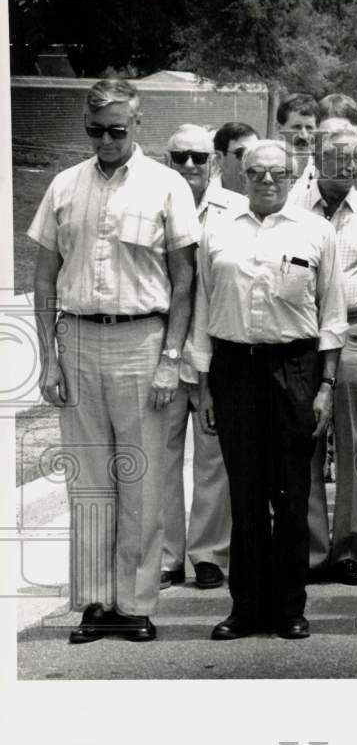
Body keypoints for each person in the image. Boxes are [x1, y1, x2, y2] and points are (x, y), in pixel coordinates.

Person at [30, 79, 199, 643]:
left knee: (141, 481)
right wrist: (49, 357)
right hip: (77, 338)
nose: (105, 140)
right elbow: (44, 276)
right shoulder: (63, 186)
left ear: (138, 124)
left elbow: (183, 281)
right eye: (95, 130)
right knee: (90, 481)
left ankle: (135, 603)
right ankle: (95, 601)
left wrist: (171, 358)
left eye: (117, 130)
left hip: (141, 340)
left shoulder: (168, 186)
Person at [189, 139, 348, 640]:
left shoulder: (316, 231)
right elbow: (201, 313)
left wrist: (325, 384)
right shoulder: (216, 231)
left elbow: (333, 314)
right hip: (235, 368)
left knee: (294, 492)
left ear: (291, 174)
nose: (265, 180)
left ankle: (289, 608)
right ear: (241, 172)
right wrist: (204, 388)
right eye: (255, 171)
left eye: (276, 173)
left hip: (295, 368)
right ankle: (246, 608)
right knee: (246, 495)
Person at [293, 128, 357, 586]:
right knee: (305, 442)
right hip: (302, 337)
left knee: (355, 447)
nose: (348, 166)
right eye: (337, 157)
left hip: (356, 332)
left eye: (355, 158)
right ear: (315, 156)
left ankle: (350, 549)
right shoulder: (291, 211)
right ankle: (310, 551)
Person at [159, 124, 242, 591]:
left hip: (215, 351)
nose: (189, 165)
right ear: (166, 158)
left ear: (213, 160)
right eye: (179, 157)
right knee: (163, 456)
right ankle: (170, 556)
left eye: (198, 157)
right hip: (164, 351)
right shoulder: (154, 203)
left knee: (213, 457)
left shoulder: (234, 209)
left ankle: (208, 554)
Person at [276, 93, 320, 178]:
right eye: (296, 127)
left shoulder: (323, 173)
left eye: (309, 128)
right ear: (279, 128)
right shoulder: (263, 170)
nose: (303, 135)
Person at [213, 121, 259, 194]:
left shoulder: (269, 198)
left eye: (255, 153)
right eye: (242, 153)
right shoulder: (203, 197)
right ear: (219, 158)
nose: (251, 161)